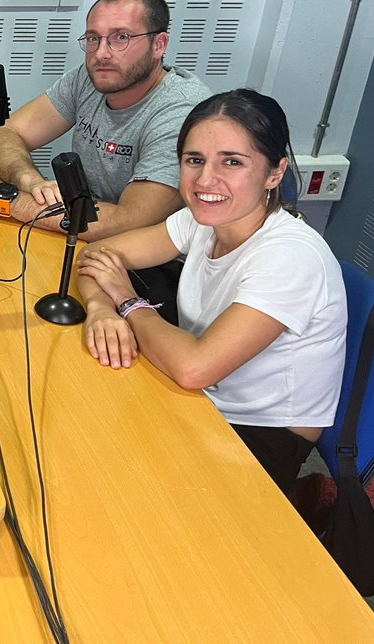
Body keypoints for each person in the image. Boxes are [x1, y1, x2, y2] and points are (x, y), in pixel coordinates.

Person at [75, 90, 346, 496]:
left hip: (256, 441)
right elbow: (97, 254)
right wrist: (100, 309)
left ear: (275, 173)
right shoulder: (203, 219)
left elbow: (194, 368)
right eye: (194, 160)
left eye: (232, 162)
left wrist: (128, 301)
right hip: (197, 401)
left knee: (106, 477)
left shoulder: (291, 257)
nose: (205, 181)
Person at [0, 0, 211, 242]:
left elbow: (126, 221)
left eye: (121, 37)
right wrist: (29, 180)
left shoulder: (181, 114)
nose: (101, 53)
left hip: (141, 263)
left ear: (159, 44)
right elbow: (6, 134)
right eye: (94, 38)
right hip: (80, 233)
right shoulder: (90, 79)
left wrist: (5, 200)